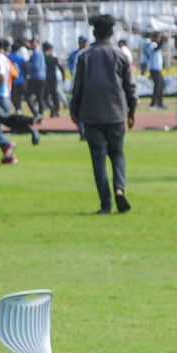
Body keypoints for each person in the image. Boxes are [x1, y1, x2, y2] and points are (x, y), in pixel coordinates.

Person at [68, 14, 136, 213]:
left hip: (91, 115)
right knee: (118, 155)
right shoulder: (121, 55)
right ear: (112, 32)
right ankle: (119, 189)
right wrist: (131, 111)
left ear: (94, 33)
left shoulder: (85, 57)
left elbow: (77, 87)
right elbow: (130, 87)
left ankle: (105, 203)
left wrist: (74, 110)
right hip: (116, 113)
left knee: (98, 159)